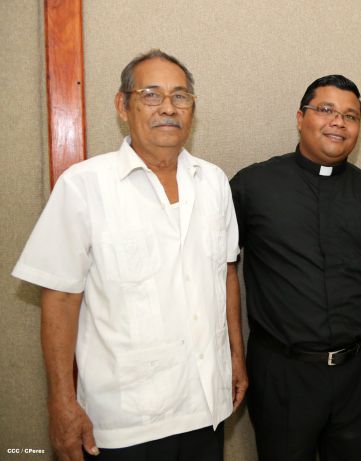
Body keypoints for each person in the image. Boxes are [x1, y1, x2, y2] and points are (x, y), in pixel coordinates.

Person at [11, 49, 247, 461]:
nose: (168, 108)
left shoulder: (213, 182)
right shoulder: (83, 186)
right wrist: (61, 402)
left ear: (193, 108)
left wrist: (236, 357)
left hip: (207, 405)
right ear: (123, 106)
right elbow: (60, 298)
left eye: (180, 96)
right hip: (125, 420)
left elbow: (225, 274)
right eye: (151, 95)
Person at [230, 74, 361, 461]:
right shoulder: (252, 186)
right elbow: (222, 268)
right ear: (301, 118)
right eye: (326, 110)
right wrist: (230, 353)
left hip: (360, 373)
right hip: (283, 372)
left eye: (351, 116)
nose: (338, 122)